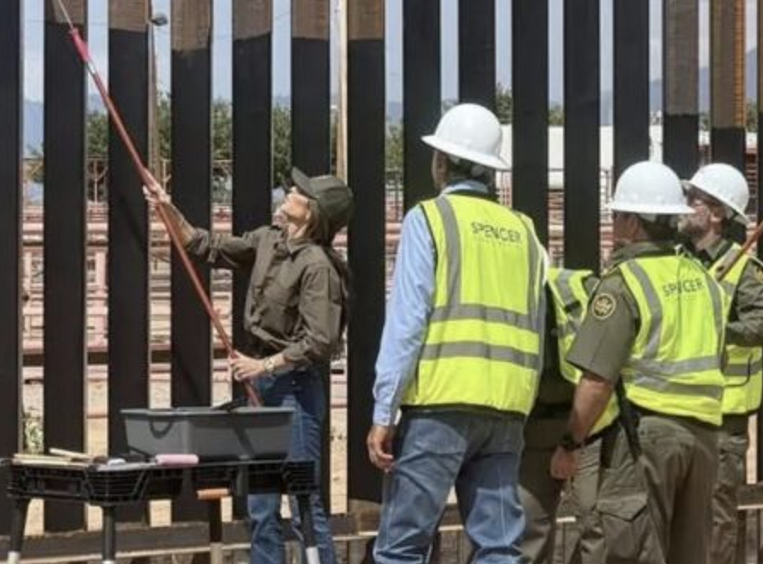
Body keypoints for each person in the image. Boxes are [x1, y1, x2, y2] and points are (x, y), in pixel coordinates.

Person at [369, 103, 547, 563]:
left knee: (403, 546)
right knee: (499, 545)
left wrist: (384, 410)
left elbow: (407, 324)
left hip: (439, 407)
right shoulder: (526, 232)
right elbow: (538, 322)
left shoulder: (429, 219)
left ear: (442, 163)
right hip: (506, 410)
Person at [146, 167, 352, 564]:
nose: (289, 191)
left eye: (298, 191)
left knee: (304, 502)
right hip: (260, 391)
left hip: (293, 391)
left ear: (310, 213)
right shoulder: (266, 240)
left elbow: (320, 341)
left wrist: (264, 366)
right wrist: (166, 207)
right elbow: (203, 245)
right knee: (260, 507)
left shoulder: (318, 267)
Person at [551, 161, 726, 564]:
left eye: (617, 216)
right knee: (689, 554)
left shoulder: (624, 282)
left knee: (635, 550)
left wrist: (570, 443)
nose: (613, 225)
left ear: (634, 223)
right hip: (704, 438)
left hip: (646, 438)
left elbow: (597, 380)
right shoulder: (705, 280)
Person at [680, 163, 763, 564]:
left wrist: (717, 329)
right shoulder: (678, 260)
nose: (685, 205)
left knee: (717, 514)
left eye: (695, 200)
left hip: (724, 419)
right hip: (680, 409)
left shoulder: (744, 269)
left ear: (718, 213)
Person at [518, 266, 599, 564]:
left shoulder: (575, 287)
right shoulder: (580, 285)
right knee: (527, 529)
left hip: (588, 421)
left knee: (601, 526)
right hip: (542, 423)